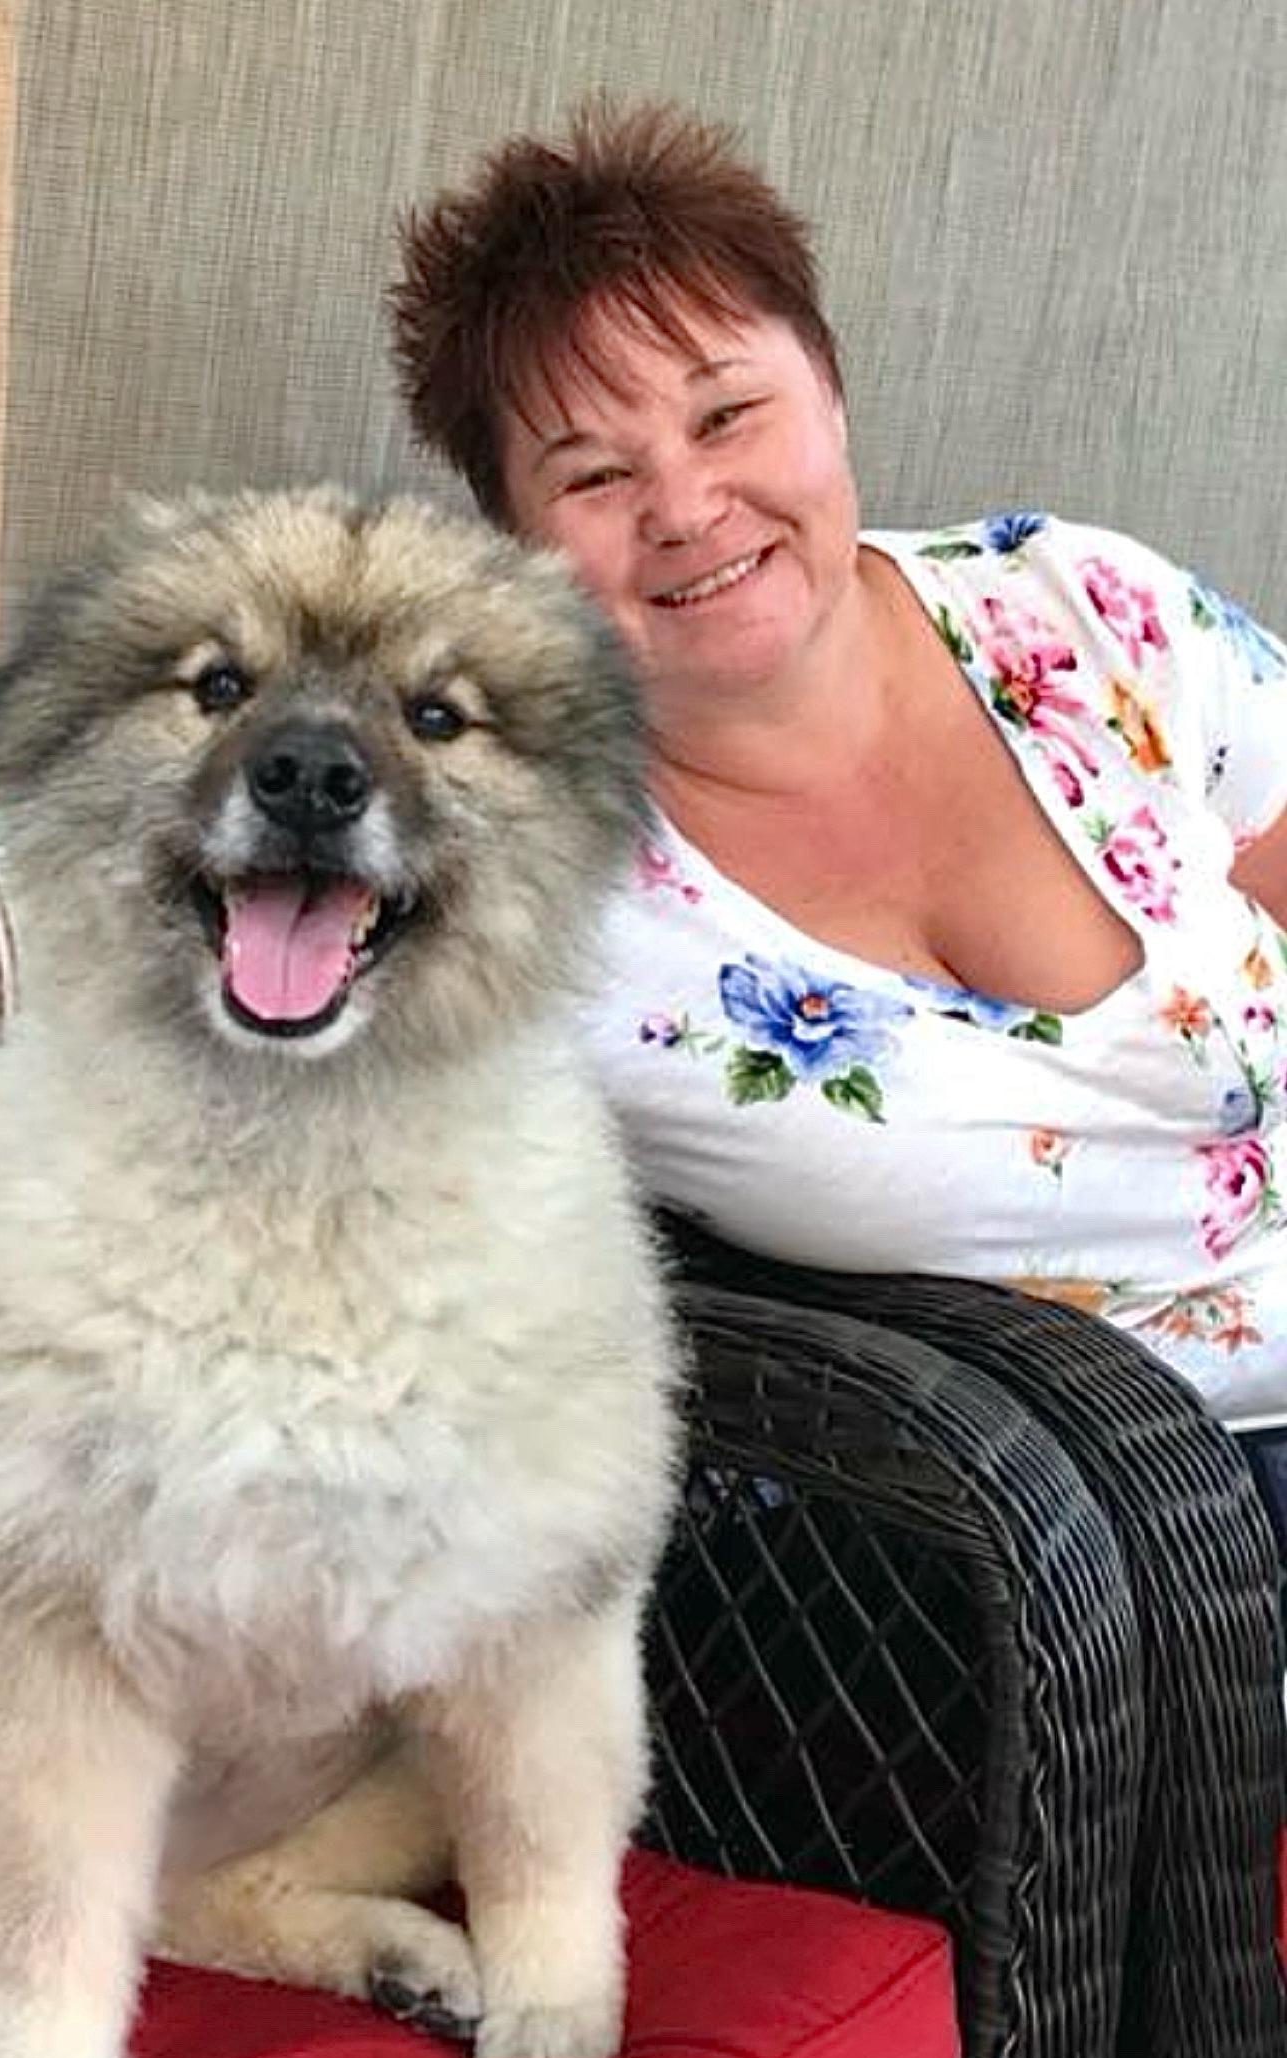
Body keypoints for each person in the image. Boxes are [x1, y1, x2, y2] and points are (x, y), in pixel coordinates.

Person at [388, 98, 1287, 1430]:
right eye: (593, 478)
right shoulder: (521, 885)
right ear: (518, 545)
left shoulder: (1076, 604)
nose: (686, 508)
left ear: (830, 392)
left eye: (727, 414)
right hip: (1107, 1509)